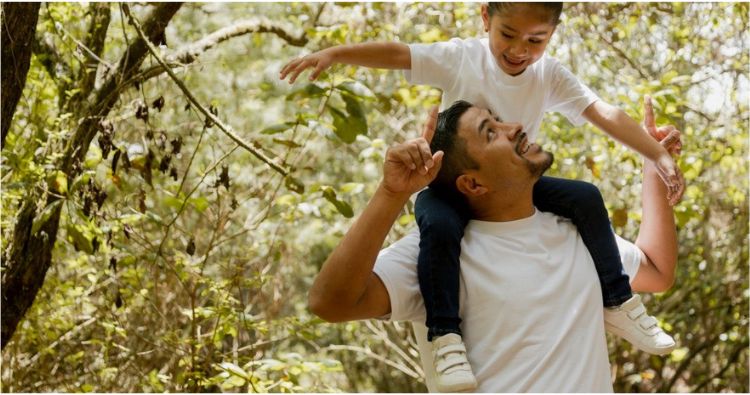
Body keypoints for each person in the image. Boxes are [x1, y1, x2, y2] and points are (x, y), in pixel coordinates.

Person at [283, 3, 685, 391]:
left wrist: (655, 157)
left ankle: (619, 300)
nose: (519, 50)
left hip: (509, 191)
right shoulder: (461, 59)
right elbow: (399, 53)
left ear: (552, 35)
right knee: (436, 221)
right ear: (485, 19)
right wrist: (336, 54)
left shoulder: (571, 232)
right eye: (490, 130)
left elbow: (604, 113)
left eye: (535, 40)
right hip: (447, 190)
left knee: (585, 195)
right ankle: (446, 335)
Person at [308, 99, 682, 392]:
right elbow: (331, 302)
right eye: (491, 132)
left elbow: (657, 270)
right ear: (472, 184)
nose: (515, 126)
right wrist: (391, 194)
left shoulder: (577, 229)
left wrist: (654, 165)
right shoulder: (437, 253)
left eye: (499, 119)